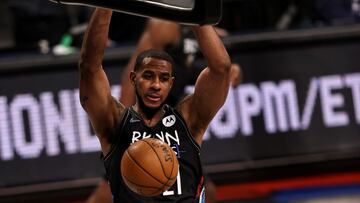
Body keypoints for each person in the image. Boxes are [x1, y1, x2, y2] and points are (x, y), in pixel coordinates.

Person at [80, 7, 231, 202]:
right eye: (148, 76)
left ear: (171, 84)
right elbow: (89, 68)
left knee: (208, 190)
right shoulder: (117, 125)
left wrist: (197, 14)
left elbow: (221, 69)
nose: (156, 85)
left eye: (164, 78)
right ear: (133, 79)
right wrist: (105, 6)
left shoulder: (188, 120)